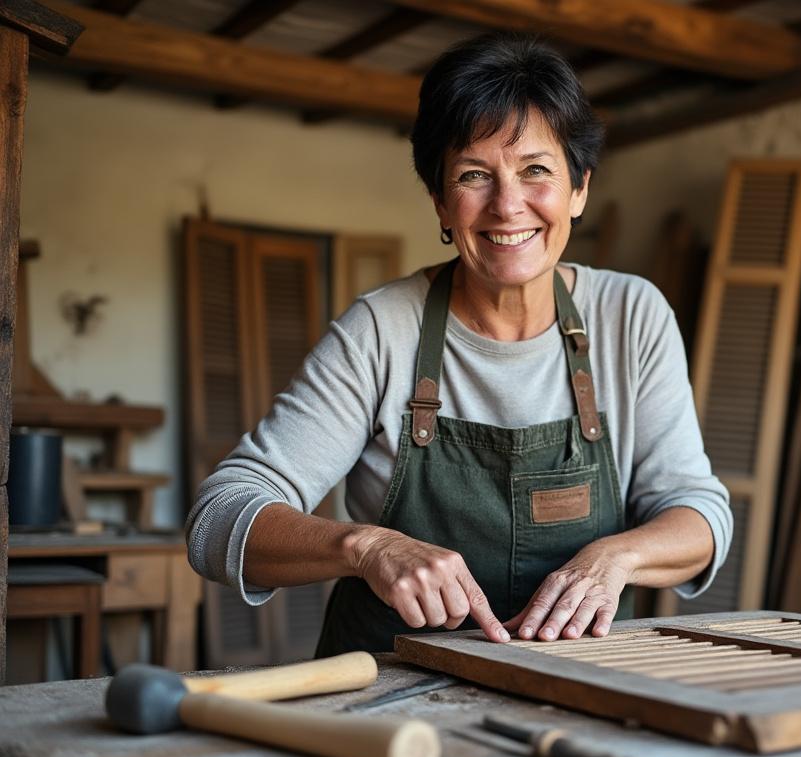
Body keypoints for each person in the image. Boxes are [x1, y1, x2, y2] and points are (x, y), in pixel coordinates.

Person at [186, 34, 731, 655]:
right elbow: (217, 520)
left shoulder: (632, 317)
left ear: (579, 188)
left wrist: (615, 557)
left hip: (582, 681)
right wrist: (366, 546)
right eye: (475, 175)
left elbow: (699, 514)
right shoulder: (381, 330)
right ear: (442, 204)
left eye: (536, 171)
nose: (507, 206)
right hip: (388, 690)